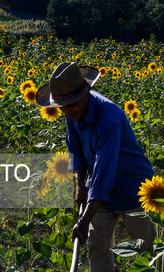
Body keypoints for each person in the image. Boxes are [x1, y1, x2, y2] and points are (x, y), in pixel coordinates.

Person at [36, 62, 156, 271]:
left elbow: (104, 169)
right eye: (63, 107)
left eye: (72, 104)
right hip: (99, 191)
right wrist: (80, 183)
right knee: (97, 246)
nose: (68, 111)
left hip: (133, 187)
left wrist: (83, 221)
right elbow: (75, 149)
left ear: (85, 95)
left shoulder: (109, 116)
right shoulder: (71, 112)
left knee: (145, 250)